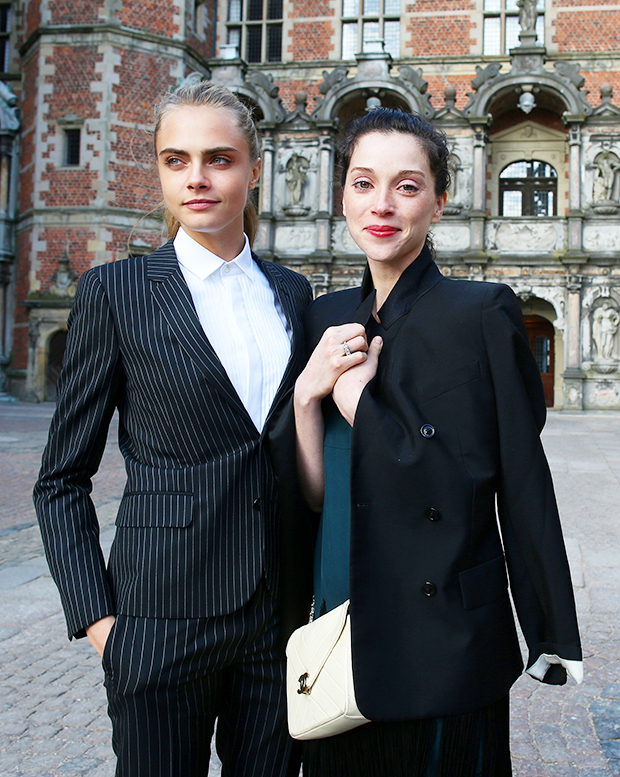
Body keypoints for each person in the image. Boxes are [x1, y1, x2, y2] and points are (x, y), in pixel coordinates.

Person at [34, 81, 314, 777]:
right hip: (158, 615)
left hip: (277, 616)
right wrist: (100, 622)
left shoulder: (294, 292)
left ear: (253, 169)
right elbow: (62, 478)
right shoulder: (116, 291)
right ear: (158, 170)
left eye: (218, 158)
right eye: (175, 159)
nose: (196, 178)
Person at [293, 108, 582, 777]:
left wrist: (549, 624)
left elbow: (516, 477)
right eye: (364, 183)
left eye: (407, 185)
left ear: (439, 201)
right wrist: (309, 395)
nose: (383, 205)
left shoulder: (482, 312)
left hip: (448, 633)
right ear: (341, 194)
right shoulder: (323, 315)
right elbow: (313, 494)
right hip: (343, 623)